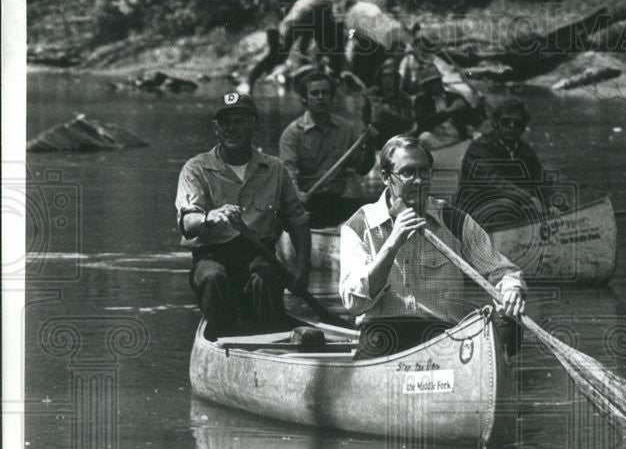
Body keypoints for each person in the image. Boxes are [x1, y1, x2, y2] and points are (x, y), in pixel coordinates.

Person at [339, 135, 526, 360]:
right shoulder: (360, 225)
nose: (419, 181)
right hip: (383, 334)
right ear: (386, 178)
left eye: (424, 172)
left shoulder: (453, 220)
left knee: (509, 322)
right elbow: (353, 304)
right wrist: (392, 243)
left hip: (443, 335)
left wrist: (512, 289)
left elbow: (502, 270)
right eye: (408, 173)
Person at [176, 92, 310, 340]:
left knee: (266, 277)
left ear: (254, 125)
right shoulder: (195, 168)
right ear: (216, 128)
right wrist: (210, 217)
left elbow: (298, 221)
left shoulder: (275, 169)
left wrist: (302, 270)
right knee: (212, 278)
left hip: (259, 253)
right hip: (213, 255)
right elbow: (188, 223)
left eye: (239, 121)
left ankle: (269, 340)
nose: (231, 128)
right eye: (225, 122)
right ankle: (224, 338)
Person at [279, 71, 376, 228]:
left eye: (325, 93)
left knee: (374, 209)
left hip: (336, 201)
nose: (320, 97)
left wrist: (370, 144)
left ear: (331, 97)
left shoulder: (345, 129)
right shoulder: (292, 133)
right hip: (306, 203)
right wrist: (298, 196)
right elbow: (288, 173)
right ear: (305, 98)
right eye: (314, 93)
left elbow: (361, 169)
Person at [455, 98, 559, 229]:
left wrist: (553, 204)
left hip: (513, 205)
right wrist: (528, 198)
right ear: (496, 123)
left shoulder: (525, 151)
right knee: (509, 205)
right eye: (506, 122)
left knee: (559, 209)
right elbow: (493, 182)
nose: (511, 126)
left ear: (523, 127)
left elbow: (541, 181)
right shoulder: (478, 149)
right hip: (473, 212)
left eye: (518, 123)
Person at [410, 69, 483, 141]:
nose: (433, 87)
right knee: (424, 137)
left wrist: (478, 106)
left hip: (458, 137)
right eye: (429, 84)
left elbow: (474, 120)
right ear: (425, 87)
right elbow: (424, 123)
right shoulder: (421, 101)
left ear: (441, 81)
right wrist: (448, 111)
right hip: (437, 140)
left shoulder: (454, 97)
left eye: (435, 82)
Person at [362, 58, 415, 149]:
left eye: (391, 76)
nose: (387, 79)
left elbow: (409, 123)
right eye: (385, 76)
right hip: (375, 136)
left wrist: (390, 113)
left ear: (395, 78)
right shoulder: (373, 95)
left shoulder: (404, 98)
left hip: (395, 136)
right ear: (380, 78)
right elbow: (365, 117)